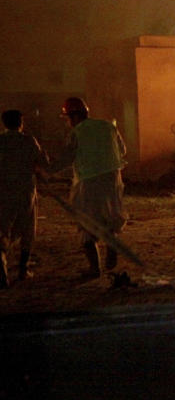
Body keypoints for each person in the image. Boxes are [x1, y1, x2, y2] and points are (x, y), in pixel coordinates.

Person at [48, 97, 127, 277]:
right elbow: (122, 151)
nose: (67, 122)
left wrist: (47, 170)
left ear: (74, 116)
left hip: (88, 183)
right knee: (110, 220)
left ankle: (94, 268)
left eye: (67, 118)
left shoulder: (77, 133)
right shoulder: (108, 126)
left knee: (86, 223)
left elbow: (67, 159)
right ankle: (111, 248)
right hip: (113, 180)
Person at [0, 109, 48, 287]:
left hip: (3, 191)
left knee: (2, 228)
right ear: (20, 123)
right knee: (27, 228)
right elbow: (43, 162)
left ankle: (2, 266)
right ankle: (22, 269)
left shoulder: (1, 141)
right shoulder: (28, 141)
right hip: (25, 191)